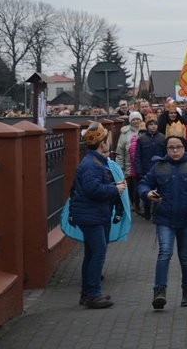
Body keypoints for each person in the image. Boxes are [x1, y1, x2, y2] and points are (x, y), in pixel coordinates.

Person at [138, 122, 187, 310]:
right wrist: (147, 194)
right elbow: (143, 184)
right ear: (167, 149)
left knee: (185, 256)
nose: (174, 151)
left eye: (178, 147)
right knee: (164, 253)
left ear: (184, 147)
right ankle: (159, 292)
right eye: (171, 148)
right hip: (164, 218)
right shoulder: (159, 167)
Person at [70, 122, 127, 309]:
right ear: (102, 143)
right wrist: (115, 189)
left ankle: (87, 292)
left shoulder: (94, 161)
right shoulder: (92, 165)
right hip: (91, 215)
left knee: (91, 253)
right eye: (107, 140)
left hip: (93, 214)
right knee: (98, 253)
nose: (109, 143)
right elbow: (93, 190)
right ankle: (93, 294)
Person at [133, 114, 166, 220]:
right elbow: (137, 156)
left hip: (159, 168)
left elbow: (165, 154)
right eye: (151, 124)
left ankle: (155, 212)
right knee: (147, 192)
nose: (153, 126)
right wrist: (139, 171)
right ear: (147, 126)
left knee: (158, 191)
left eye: (155, 124)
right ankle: (147, 211)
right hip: (145, 169)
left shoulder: (162, 138)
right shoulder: (142, 139)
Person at [116, 111, 143, 214]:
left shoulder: (144, 130)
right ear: (130, 121)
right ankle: (133, 203)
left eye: (138, 119)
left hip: (141, 163)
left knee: (140, 185)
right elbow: (120, 150)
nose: (136, 121)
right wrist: (120, 166)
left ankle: (140, 204)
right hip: (129, 164)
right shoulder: (125, 133)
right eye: (133, 119)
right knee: (131, 186)